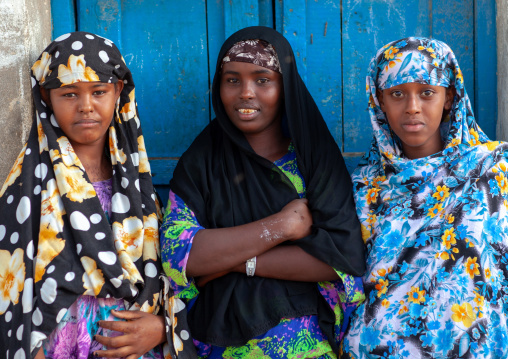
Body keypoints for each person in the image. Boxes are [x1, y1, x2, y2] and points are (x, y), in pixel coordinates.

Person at [160, 26, 366, 358]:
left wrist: (234, 261)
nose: (246, 93)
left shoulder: (313, 160)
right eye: (232, 80)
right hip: (222, 342)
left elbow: (340, 259)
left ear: (285, 87)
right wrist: (282, 227)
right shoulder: (202, 162)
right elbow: (178, 254)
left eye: (262, 80)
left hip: (307, 344)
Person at [0, 32, 176, 359]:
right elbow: (14, 290)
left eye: (99, 92)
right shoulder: (28, 186)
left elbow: (165, 271)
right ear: (46, 96)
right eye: (69, 94)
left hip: (132, 347)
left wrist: (161, 327)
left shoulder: (136, 181)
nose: (86, 107)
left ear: (118, 91)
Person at [341, 37, 508, 358]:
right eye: (397, 93)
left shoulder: (493, 168)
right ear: (379, 101)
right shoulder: (363, 185)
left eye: (427, 92)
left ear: (450, 97)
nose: (412, 106)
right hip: (378, 349)